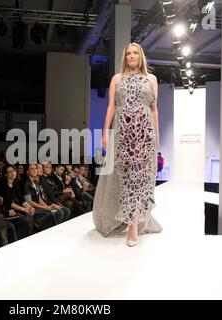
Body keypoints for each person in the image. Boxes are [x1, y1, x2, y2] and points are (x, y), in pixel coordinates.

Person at [92, 43, 162, 247]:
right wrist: (105, 132)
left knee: (139, 178)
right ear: (125, 57)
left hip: (144, 133)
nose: (132, 56)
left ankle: (133, 225)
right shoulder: (117, 79)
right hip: (123, 134)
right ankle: (124, 217)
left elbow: (154, 109)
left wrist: (156, 134)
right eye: (128, 53)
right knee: (124, 178)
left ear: (141, 57)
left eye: (135, 53)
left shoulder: (151, 79)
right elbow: (111, 107)